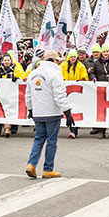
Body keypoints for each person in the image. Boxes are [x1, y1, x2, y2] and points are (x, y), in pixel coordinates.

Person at [25, 50, 75, 179]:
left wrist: (30, 109)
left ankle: (31, 164)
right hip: (52, 112)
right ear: (53, 60)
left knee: (39, 139)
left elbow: (28, 94)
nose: (59, 62)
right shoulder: (55, 74)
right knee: (51, 141)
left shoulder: (33, 74)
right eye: (58, 60)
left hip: (38, 112)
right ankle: (48, 169)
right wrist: (67, 112)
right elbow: (60, 95)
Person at [61, 49, 88, 139]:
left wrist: (80, 81)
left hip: (75, 92)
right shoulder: (63, 65)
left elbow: (85, 77)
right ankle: (71, 128)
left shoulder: (81, 66)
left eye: (74, 57)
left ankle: (74, 130)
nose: (73, 58)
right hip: (65, 91)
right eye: (71, 56)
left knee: (75, 110)